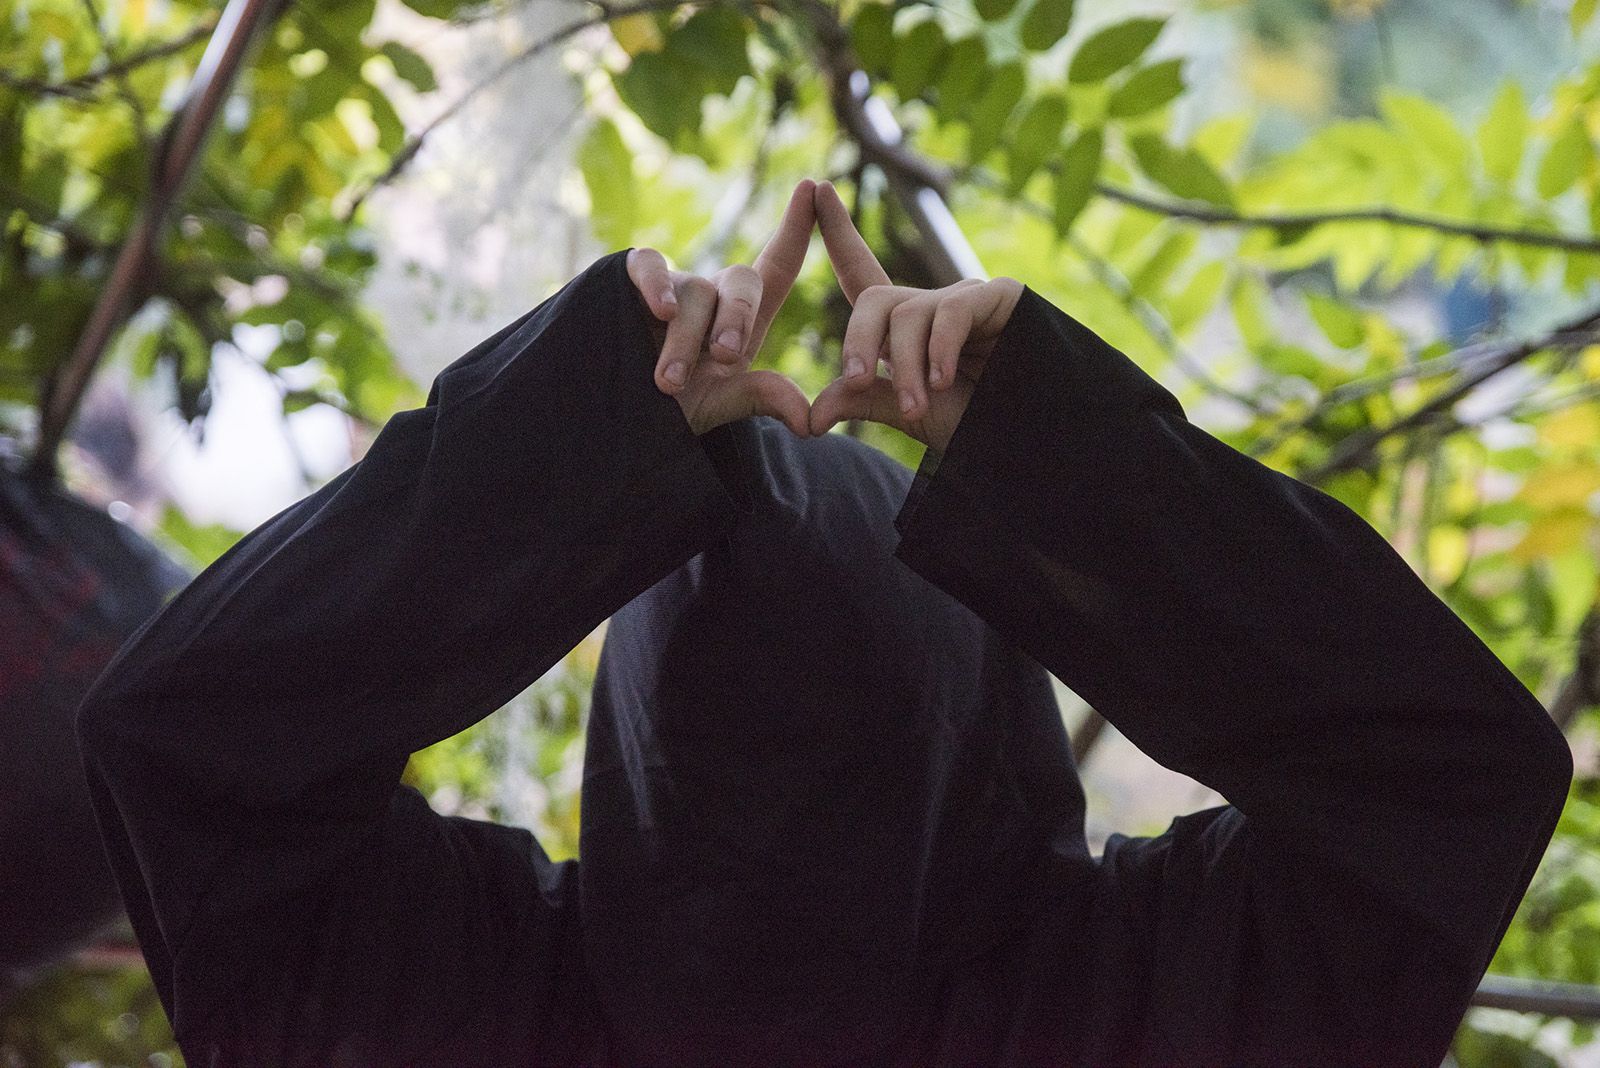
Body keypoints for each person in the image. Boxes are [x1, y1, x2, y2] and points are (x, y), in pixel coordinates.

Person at [74, 178, 1571, 1068]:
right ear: (982, 712)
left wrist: (597, 428)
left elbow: (186, 743)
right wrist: (1051, 454)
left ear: (639, 742)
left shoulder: (469, 1016)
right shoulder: (1136, 1021)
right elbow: (1447, 778)